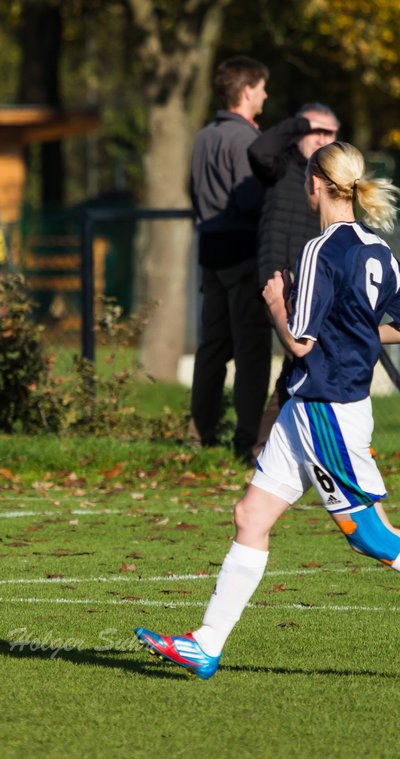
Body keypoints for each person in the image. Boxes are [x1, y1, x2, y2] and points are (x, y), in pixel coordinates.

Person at [135, 140, 400, 679]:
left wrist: (278, 303)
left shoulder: (319, 250)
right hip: (306, 407)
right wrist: (353, 335)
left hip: (327, 408)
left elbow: (299, 342)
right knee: (250, 516)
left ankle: (207, 642)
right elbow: (389, 324)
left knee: (371, 538)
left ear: (317, 184)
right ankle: (205, 644)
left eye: (306, 179)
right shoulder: (379, 249)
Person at [188, 56, 270, 462]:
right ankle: (248, 439)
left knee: (212, 347)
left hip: (209, 250)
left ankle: (199, 434)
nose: (266, 95)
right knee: (252, 349)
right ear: (246, 91)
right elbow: (251, 197)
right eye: (261, 88)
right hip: (241, 253)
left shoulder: (204, 136)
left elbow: (193, 191)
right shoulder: (247, 140)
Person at [249, 103, 341, 457]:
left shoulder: (335, 183)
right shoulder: (282, 164)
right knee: (294, 356)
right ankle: (262, 445)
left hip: (315, 284)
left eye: (328, 132)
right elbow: (259, 149)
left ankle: (270, 446)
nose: (319, 138)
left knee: (299, 361)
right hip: (278, 281)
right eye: (311, 131)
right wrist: (300, 124)